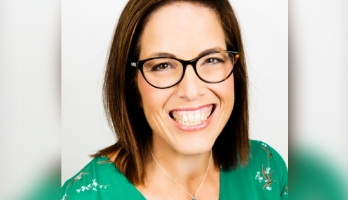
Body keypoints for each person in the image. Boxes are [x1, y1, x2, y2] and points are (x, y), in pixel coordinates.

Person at [61, 0, 288, 199]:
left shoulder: (267, 168)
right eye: (163, 65)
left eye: (211, 60)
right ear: (132, 86)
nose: (191, 91)